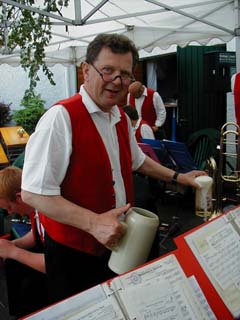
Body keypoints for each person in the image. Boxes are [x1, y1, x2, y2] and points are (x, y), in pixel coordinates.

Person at [21, 33, 205, 304]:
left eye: (125, 74)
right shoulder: (60, 118)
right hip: (74, 252)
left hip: (116, 243)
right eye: (107, 70)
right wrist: (94, 223)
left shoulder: (118, 116)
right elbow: (33, 194)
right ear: (86, 70)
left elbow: (137, 161)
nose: (117, 81)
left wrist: (178, 176)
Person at [0, 166, 47, 318]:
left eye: (9, 207)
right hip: (50, 257)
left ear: (20, 197)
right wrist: (12, 245)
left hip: (62, 269)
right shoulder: (34, 211)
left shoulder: (49, 211)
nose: (10, 212)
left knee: (30, 287)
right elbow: (36, 235)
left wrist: (14, 251)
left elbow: (52, 264)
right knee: (12, 263)